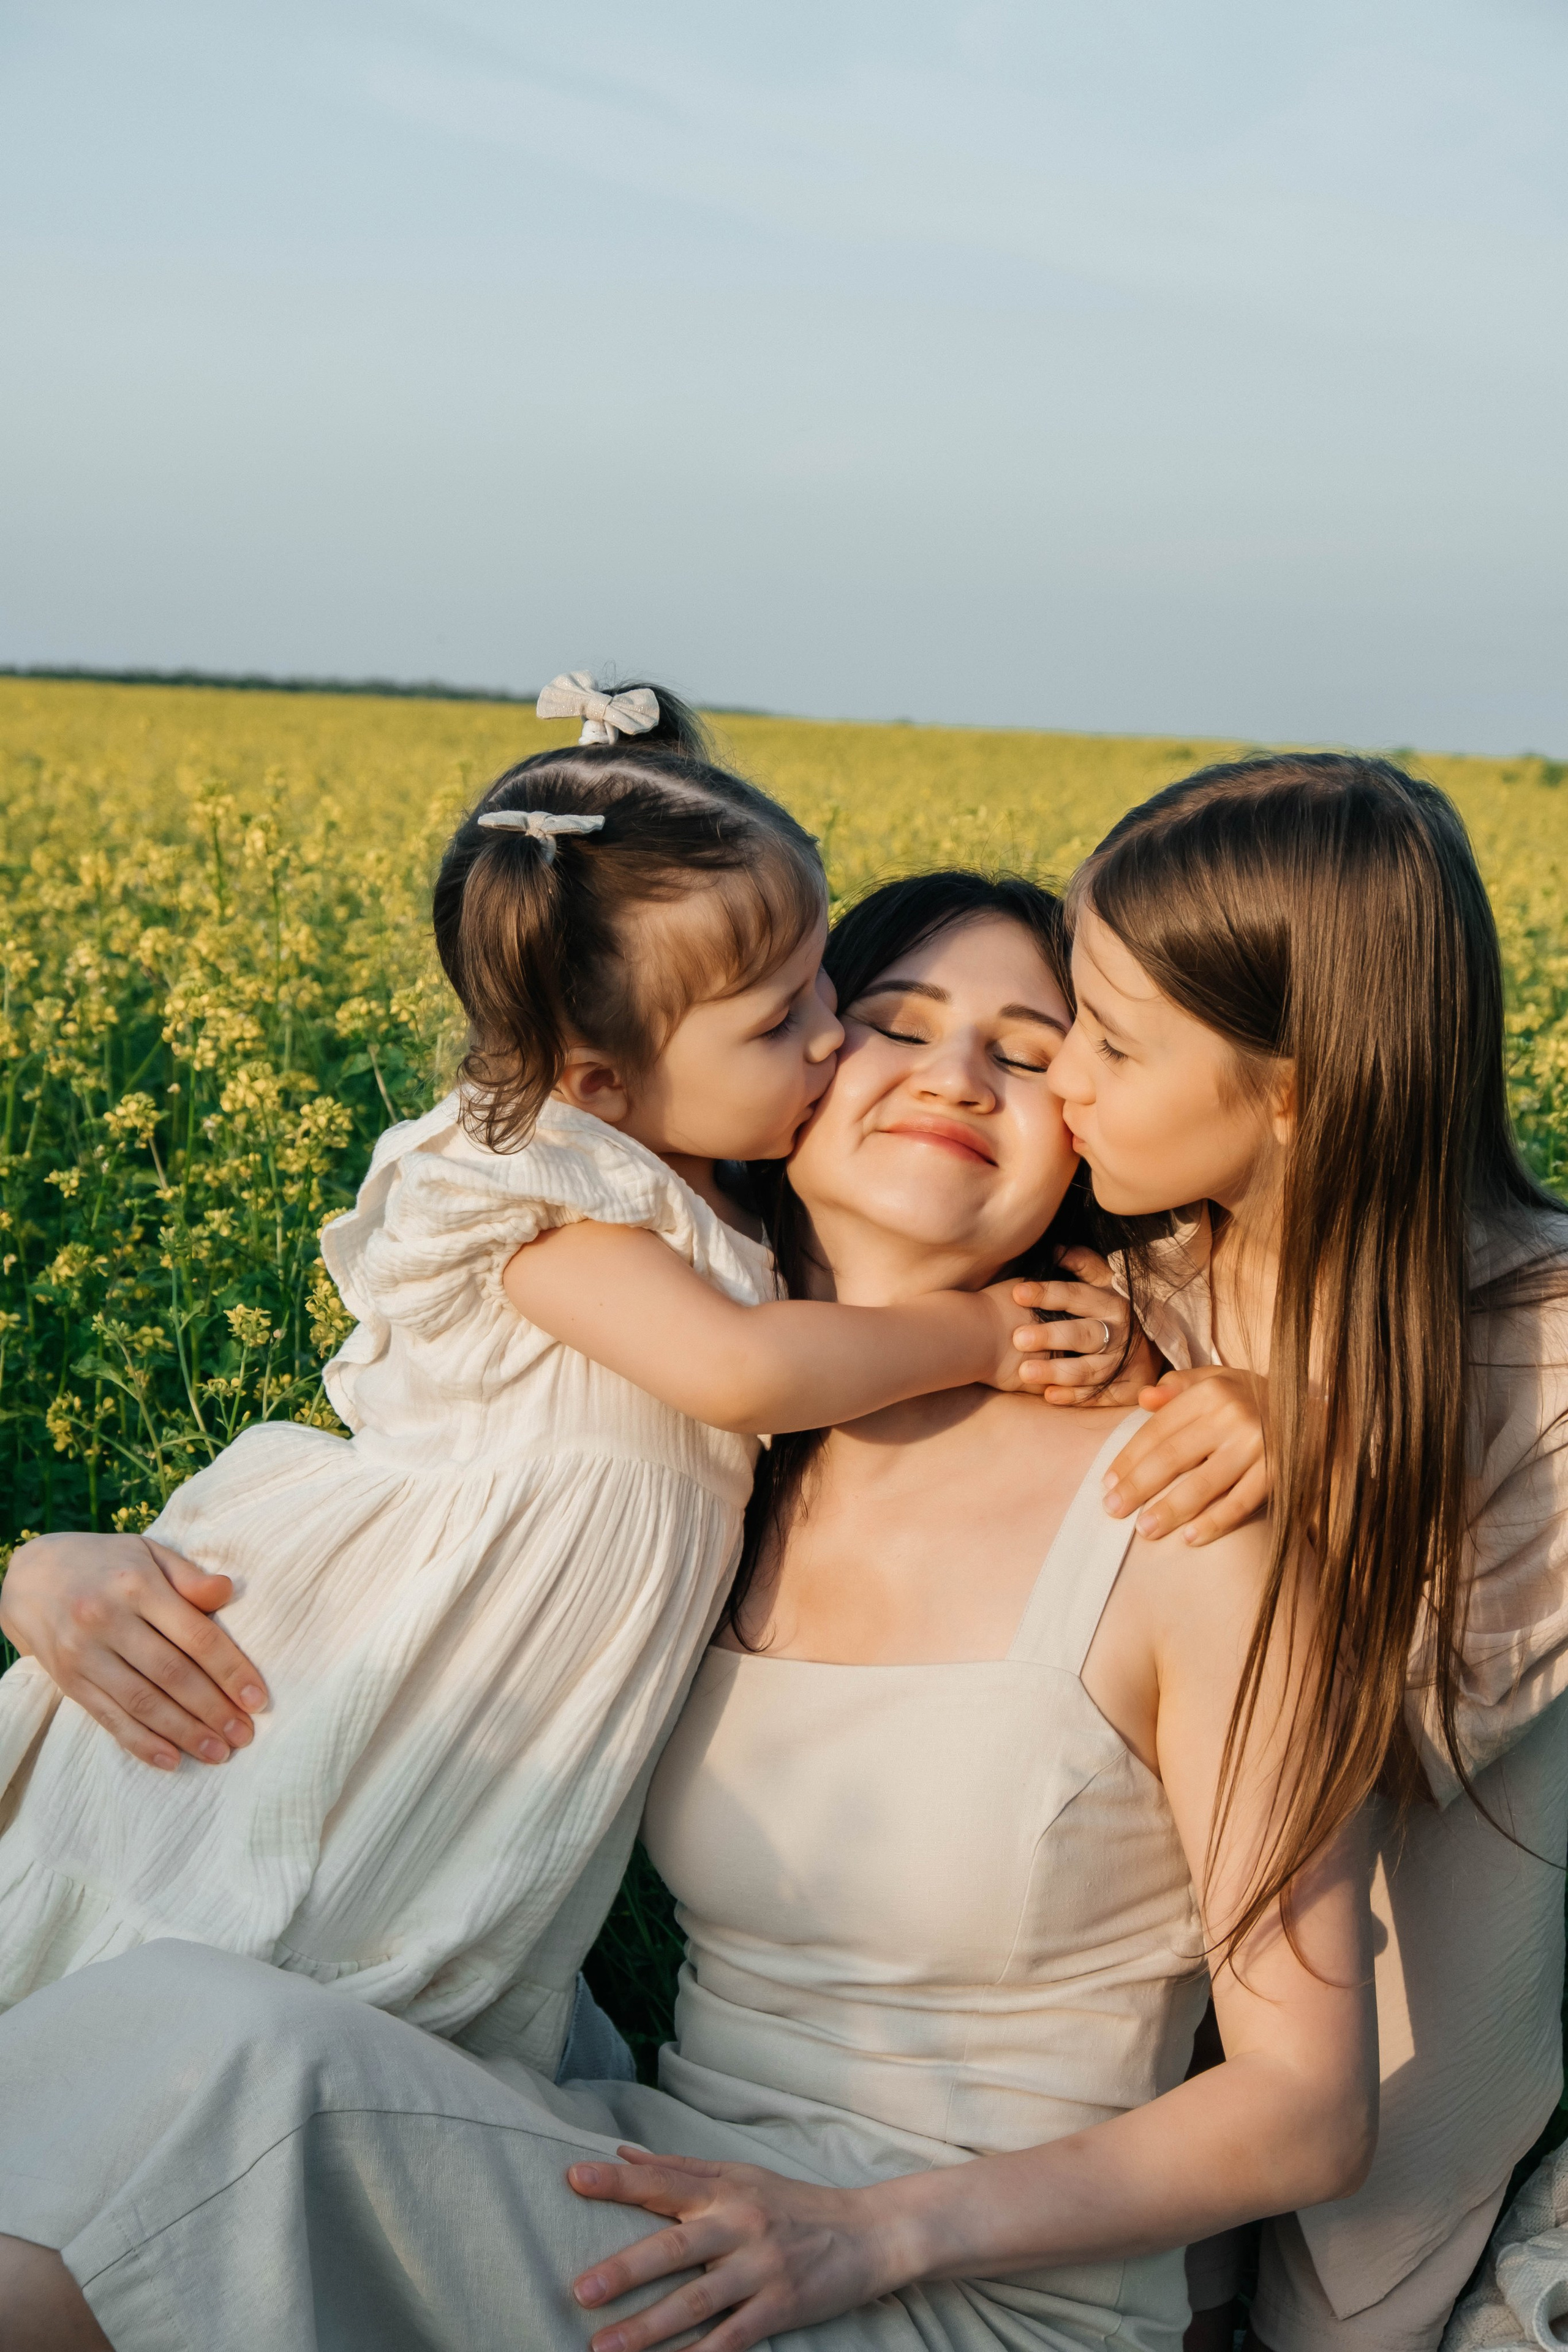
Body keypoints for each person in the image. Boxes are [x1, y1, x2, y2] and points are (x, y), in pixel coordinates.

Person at [0, 872, 1376, 2352]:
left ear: (1091, 1135)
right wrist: (59, 1573)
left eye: (1030, 1053)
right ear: (786, 1071)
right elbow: (387, 1546)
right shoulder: (695, 1471)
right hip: (668, 2183)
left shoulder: (1177, 1511)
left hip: (954, 2284)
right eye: (889, 1024)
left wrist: (880, 2230)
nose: (952, 1078)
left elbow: (1304, 2112)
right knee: (181, 2014)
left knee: (215, 2067)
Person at [0, 677, 1057, 2065]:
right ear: (596, 1081)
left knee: (329, 2026)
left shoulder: (725, 1212)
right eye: (779, 1019)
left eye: (819, 988)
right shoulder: (551, 1195)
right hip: (345, 1689)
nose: (828, 1036)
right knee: (201, 1964)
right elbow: (739, 1371)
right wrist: (983, 1334)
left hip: (480, 1745)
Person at [1006, 753, 1568, 2352]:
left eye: (1113, 1042)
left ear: (1295, 1088)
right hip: (1154, 2048)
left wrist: (1338, 1444)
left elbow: (1405, 1734)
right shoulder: (1149, 1254)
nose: (1067, 1082)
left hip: (1396, 2117)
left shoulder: (1540, 1346)